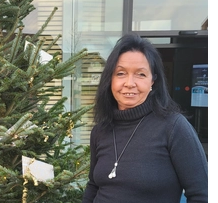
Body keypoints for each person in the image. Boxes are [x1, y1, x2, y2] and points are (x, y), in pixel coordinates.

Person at [82, 33, 207, 203]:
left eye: (140, 74)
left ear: (152, 81)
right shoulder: (100, 130)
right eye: (120, 73)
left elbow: (202, 194)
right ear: (109, 79)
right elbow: (94, 185)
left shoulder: (174, 127)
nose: (129, 83)